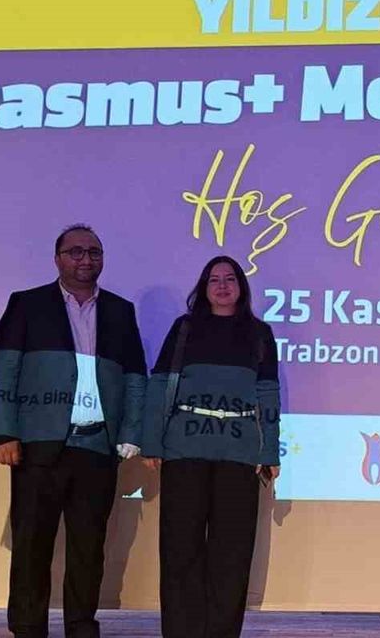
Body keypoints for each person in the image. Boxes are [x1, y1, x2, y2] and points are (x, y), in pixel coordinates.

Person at [0, 224, 147, 638]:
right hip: (38, 444)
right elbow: (4, 369)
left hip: (97, 445)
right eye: (75, 251)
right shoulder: (27, 304)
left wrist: (131, 432)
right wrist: (3, 433)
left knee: (88, 548)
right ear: (57, 258)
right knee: (31, 546)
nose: (85, 259)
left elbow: (135, 377)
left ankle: (81, 627)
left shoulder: (120, 311)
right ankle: (27, 628)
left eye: (94, 252)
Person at [141, 255, 282, 638]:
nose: (222, 286)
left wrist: (269, 451)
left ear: (241, 287)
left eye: (229, 279)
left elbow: (268, 393)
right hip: (184, 452)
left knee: (231, 554)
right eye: (214, 280)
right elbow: (159, 384)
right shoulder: (185, 329)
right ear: (203, 288)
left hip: (239, 456)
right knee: (180, 550)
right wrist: (152, 441)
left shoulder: (259, 334)